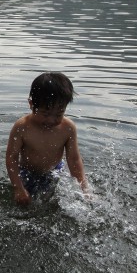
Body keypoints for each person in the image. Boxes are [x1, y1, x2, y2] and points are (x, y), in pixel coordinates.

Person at [6, 72, 89, 205]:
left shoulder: (68, 128)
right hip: (27, 172)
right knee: (23, 203)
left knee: (57, 203)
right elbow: (11, 157)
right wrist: (18, 188)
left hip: (54, 171)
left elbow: (74, 159)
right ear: (31, 104)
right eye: (45, 113)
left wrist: (84, 188)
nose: (51, 120)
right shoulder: (22, 127)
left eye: (59, 114)